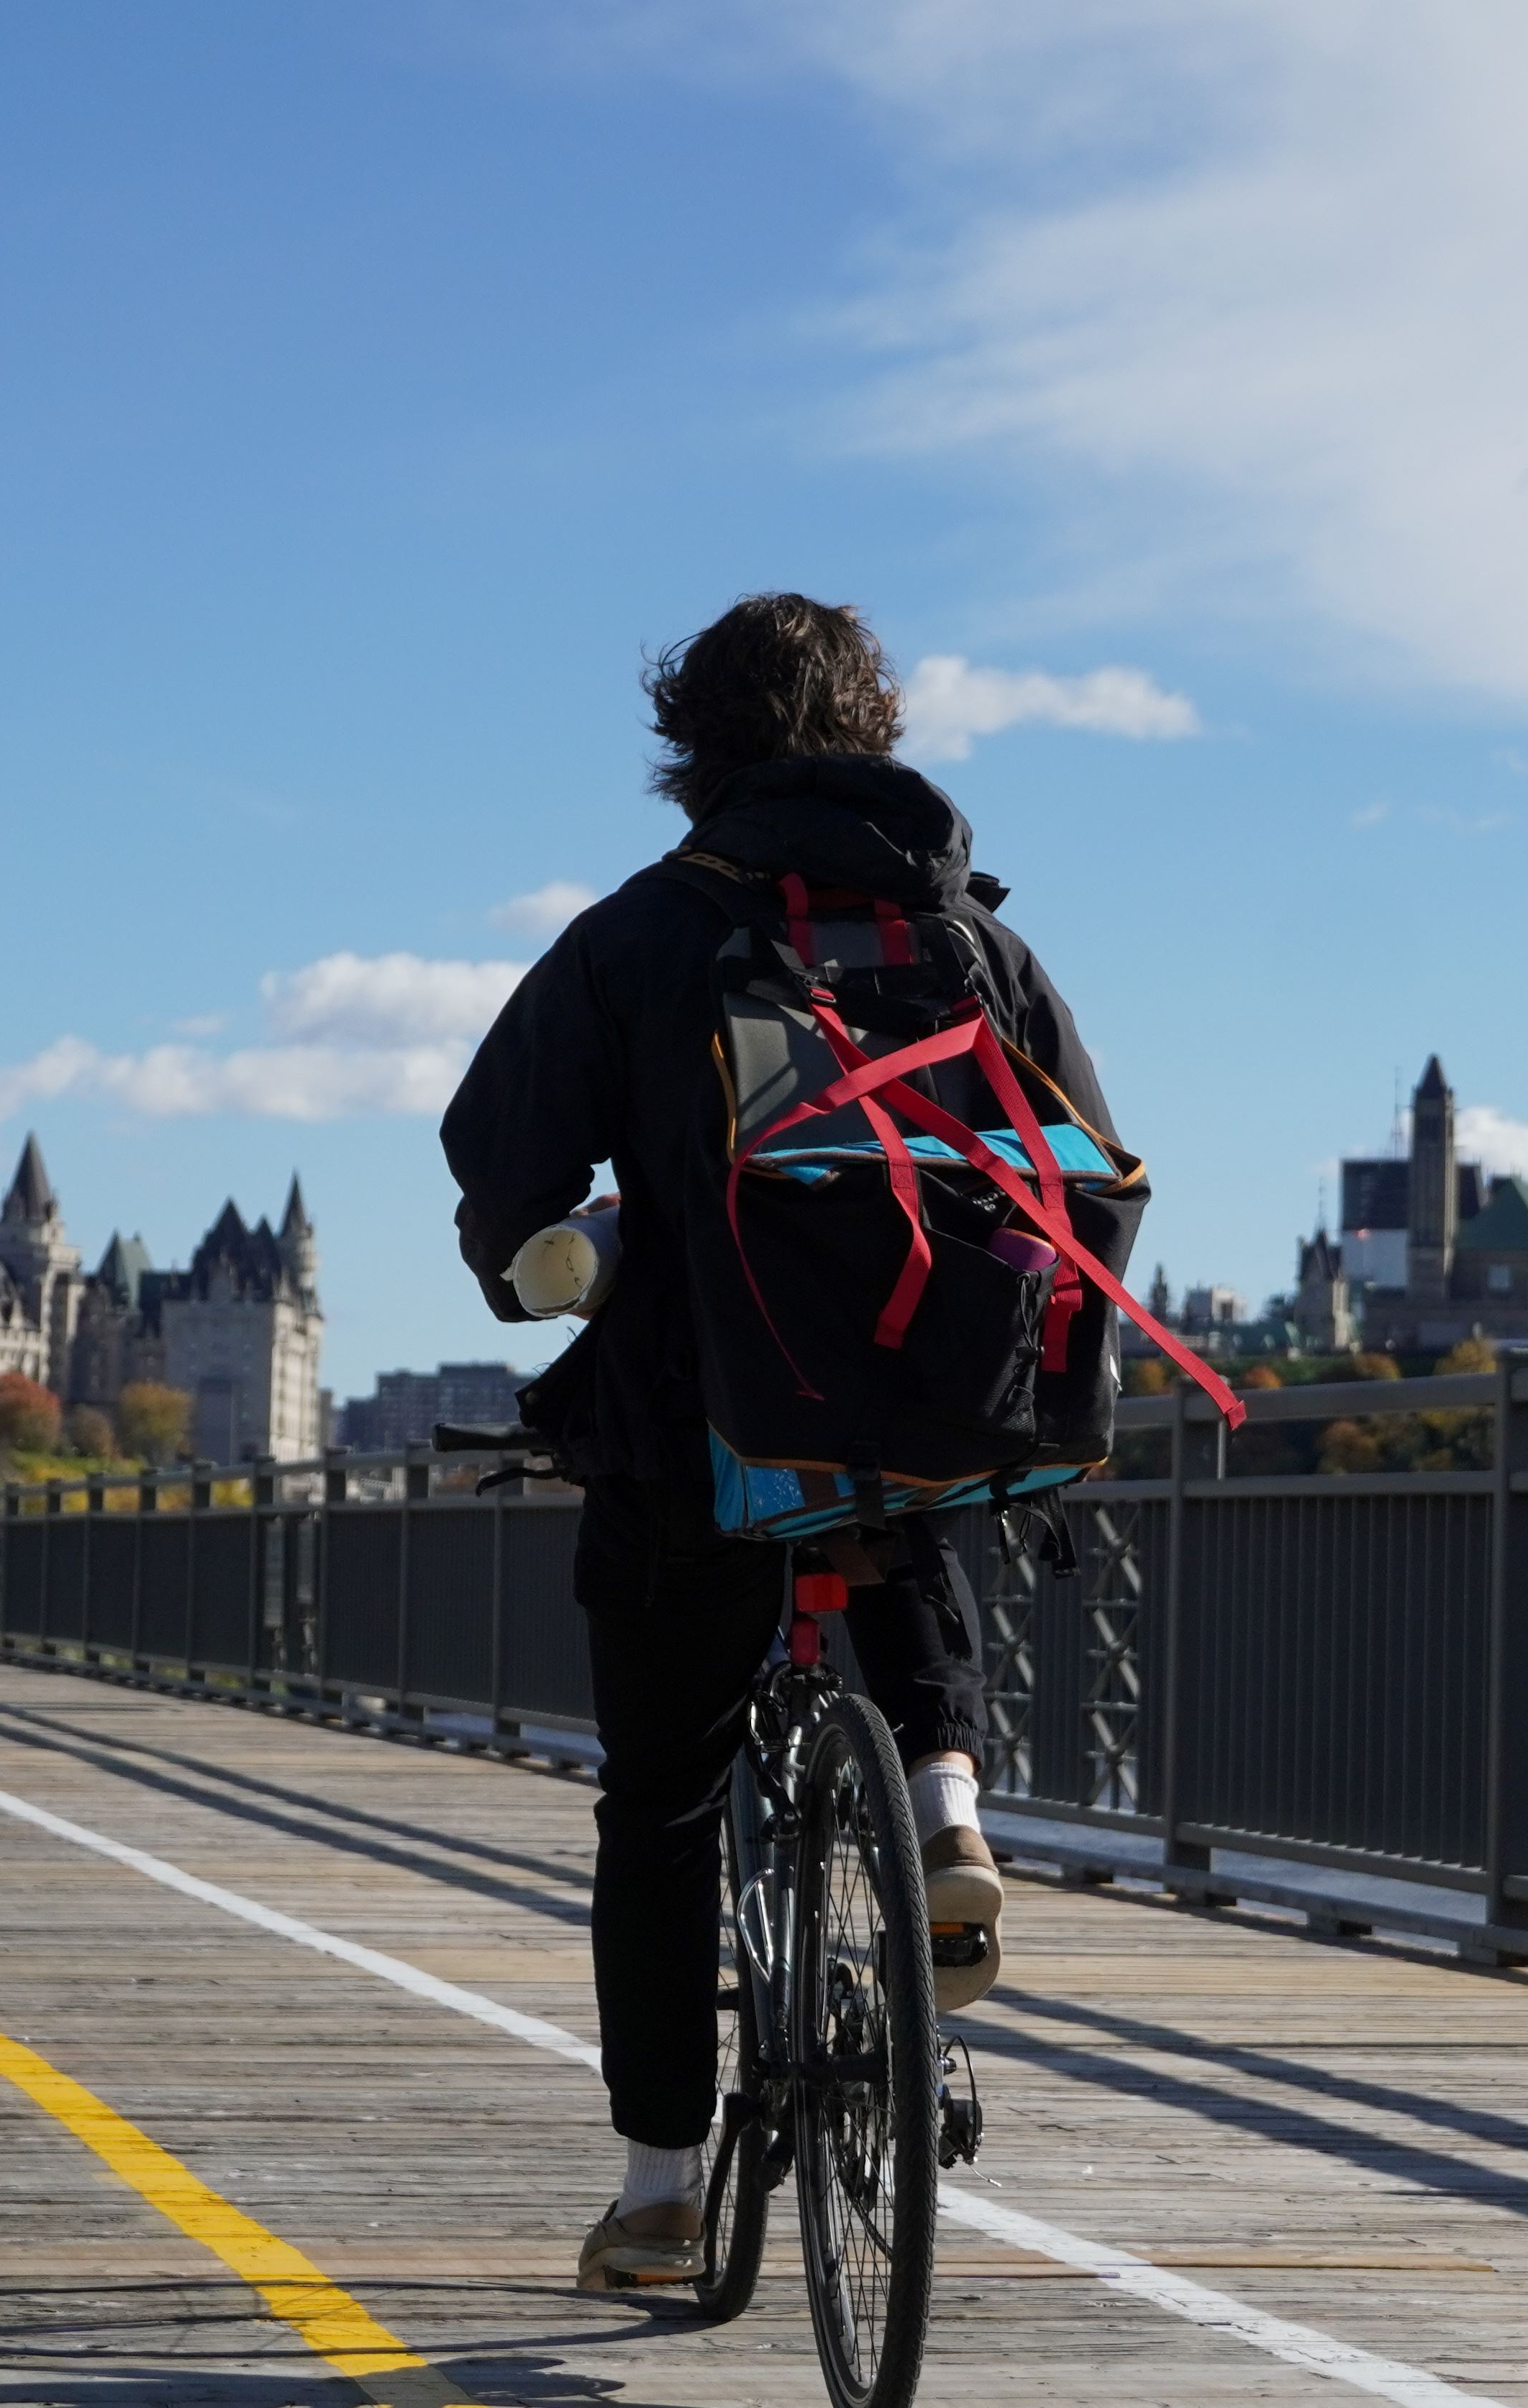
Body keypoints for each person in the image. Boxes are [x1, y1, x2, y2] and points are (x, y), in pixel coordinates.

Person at [442, 592, 1122, 2294]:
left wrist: (557, 1256)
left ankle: (664, 2181)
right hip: (924, 1403)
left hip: (695, 1424)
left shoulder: (646, 935)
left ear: (694, 747)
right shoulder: (969, 933)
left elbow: (503, 1166)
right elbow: (1079, 1161)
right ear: (872, 729)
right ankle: (948, 1805)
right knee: (909, 1500)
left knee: (663, 1805)